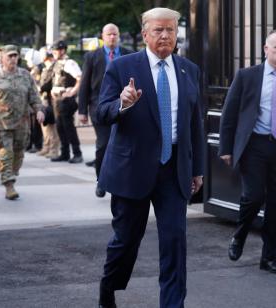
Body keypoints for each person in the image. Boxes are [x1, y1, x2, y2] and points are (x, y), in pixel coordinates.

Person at [96, 7, 204, 308]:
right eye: (158, 30)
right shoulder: (122, 67)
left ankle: (173, 304)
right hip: (132, 170)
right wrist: (122, 103)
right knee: (126, 241)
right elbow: (101, 113)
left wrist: (198, 169)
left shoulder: (188, 69)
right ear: (145, 34)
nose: (166, 35)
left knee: (175, 243)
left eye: (171, 29)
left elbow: (195, 124)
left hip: (173, 171)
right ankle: (109, 286)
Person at [219, 30, 276, 275]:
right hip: (255, 146)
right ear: (265, 49)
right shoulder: (247, 76)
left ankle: (269, 257)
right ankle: (239, 235)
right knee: (254, 195)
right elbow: (229, 114)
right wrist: (226, 148)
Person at [0, 45, 44, 200]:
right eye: (10, 56)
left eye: (15, 56)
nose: (13, 59)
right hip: (1, 123)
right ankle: (8, 185)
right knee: (6, 153)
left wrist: (39, 110)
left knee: (19, 153)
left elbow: (34, 97)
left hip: (22, 123)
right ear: (3, 58)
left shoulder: (25, 76)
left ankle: (11, 174)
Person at [78, 23, 132, 198]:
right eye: (109, 34)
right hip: (99, 107)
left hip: (124, 105)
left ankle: (122, 179)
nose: (112, 37)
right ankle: (101, 180)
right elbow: (84, 84)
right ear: (102, 36)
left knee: (124, 143)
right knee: (103, 143)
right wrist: (82, 110)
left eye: (115, 34)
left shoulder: (127, 54)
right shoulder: (92, 56)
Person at [42, 40, 83, 163]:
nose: (54, 53)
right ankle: (64, 153)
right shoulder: (56, 63)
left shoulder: (69, 63)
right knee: (60, 127)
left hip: (66, 100)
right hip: (57, 100)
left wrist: (72, 92)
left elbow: (80, 78)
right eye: (53, 51)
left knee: (68, 127)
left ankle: (77, 153)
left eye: (56, 50)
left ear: (63, 50)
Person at [35, 48, 61, 159]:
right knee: (45, 125)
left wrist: (39, 87)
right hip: (44, 99)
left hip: (52, 100)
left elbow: (48, 84)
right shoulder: (44, 67)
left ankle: (54, 149)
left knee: (53, 126)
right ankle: (47, 146)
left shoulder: (54, 66)